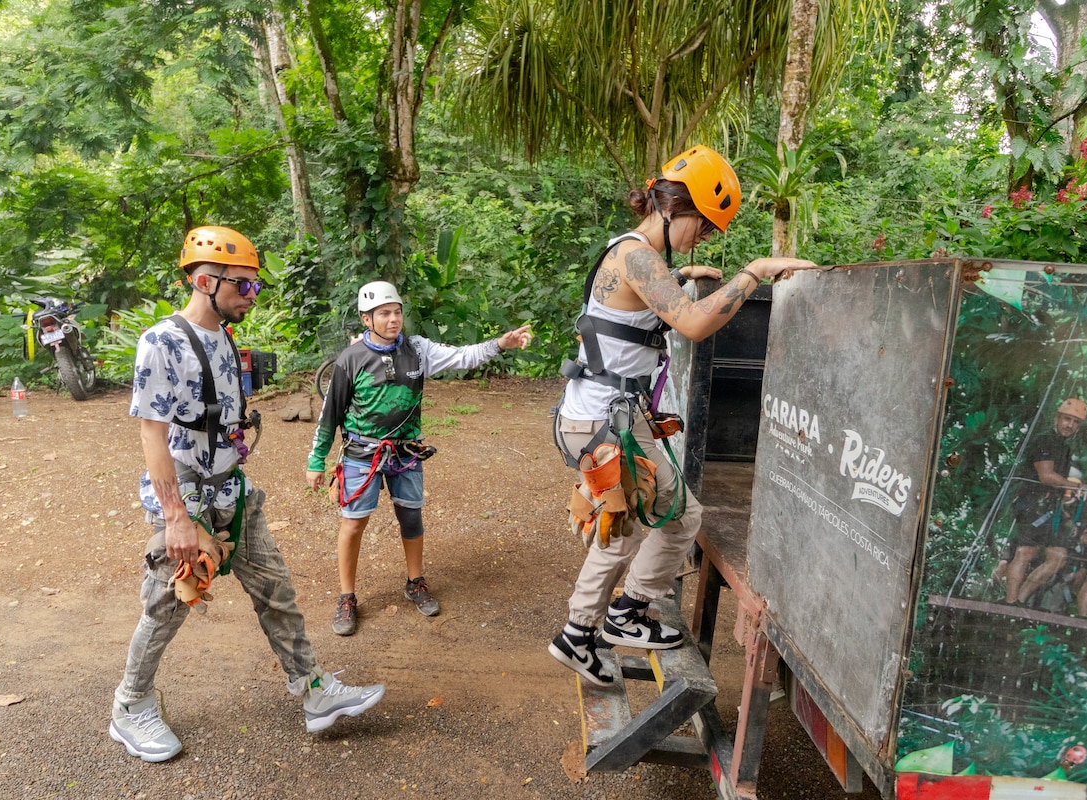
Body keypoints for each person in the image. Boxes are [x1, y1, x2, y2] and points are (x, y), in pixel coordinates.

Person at [110, 226, 384, 763]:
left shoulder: (227, 338)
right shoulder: (161, 340)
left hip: (235, 494)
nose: (252, 297)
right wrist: (176, 518)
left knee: (276, 591)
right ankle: (130, 705)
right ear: (207, 281)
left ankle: (312, 691)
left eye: (255, 287)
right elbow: (152, 432)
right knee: (167, 606)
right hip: (187, 503)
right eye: (245, 287)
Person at [548, 145, 814, 684]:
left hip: (598, 416)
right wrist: (754, 274)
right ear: (674, 210)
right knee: (671, 517)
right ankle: (604, 623)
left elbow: (639, 313)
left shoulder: (633, 253)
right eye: (705, 227)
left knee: (632, 523)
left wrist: (684, 274)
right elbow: (691, 323)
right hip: (606, 421)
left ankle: (596, 626)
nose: (706, 238)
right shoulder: (640, 257)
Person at [306, 281, 532, 636]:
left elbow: (462, 356)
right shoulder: (350, 360)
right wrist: (316, 461)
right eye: (384, 313)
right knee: (353, 523)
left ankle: (415, 582)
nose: (394, 319)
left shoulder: (417, 349)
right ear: (367, 319)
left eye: (397, 312)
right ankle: (346, 596)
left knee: (411, 517)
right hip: (361, 454)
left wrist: (499, 344)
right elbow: (330, 414)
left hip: (405, 451)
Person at [1004, 397, 1087, 607]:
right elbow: (1047, 476)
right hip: (1031, 504)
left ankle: (1021, 600)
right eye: (1066, 419)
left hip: (1048, 507)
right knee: (1026, 552)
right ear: (1057, 418)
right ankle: (1010, 603)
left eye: (1074, 422)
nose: (1069, 425)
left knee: (1058, 556)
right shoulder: (1045, 440)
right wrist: (1080, 487)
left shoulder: (1064, 448)